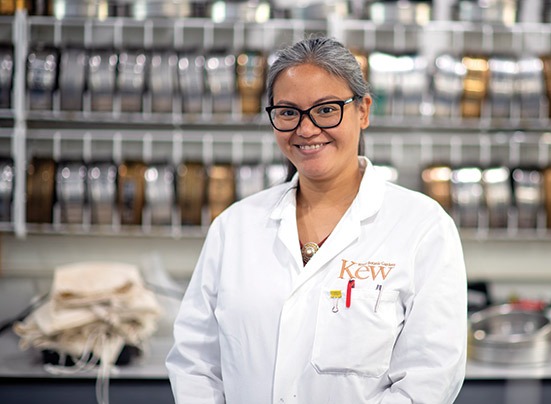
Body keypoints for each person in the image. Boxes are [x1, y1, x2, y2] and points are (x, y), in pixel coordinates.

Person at [166, 36, 467, 403]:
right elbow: (196, 363)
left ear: (363, 111)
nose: (306, 129)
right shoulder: (235, 228)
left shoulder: (422, 227)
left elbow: (429, 379)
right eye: (288, 112)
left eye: (326, 110)